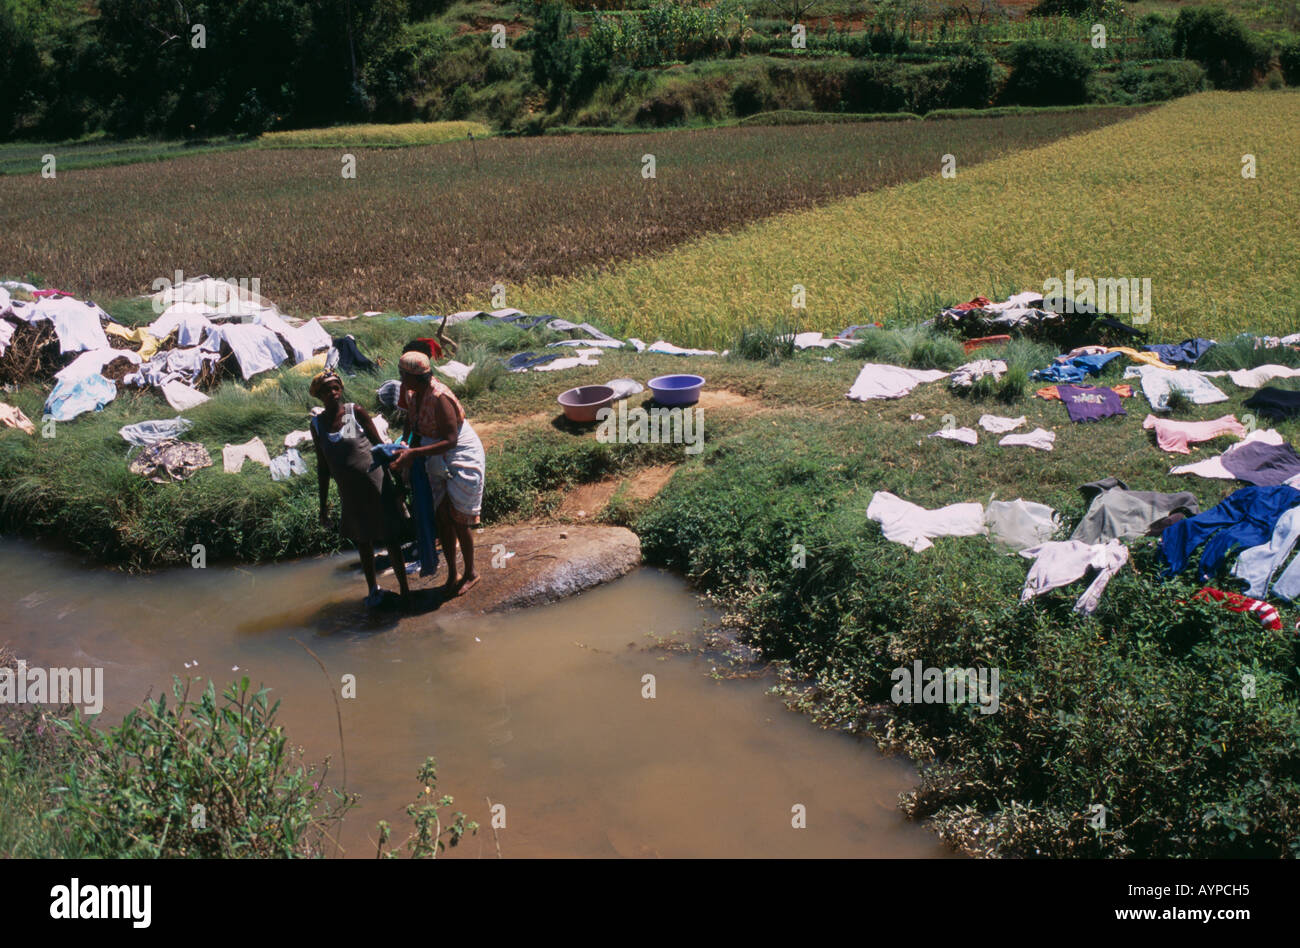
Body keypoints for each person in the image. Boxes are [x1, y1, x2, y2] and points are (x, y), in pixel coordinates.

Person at [310, 370, 410, 607]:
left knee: (389, 537)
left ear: (341, 389)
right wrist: (323, 505)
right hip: (350, 492)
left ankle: (405, 591)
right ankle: (373, 589)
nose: (333, 393)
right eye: (327, 390)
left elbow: (380, 448)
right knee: (362, 540)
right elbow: (323, 467)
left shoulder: (354, 413)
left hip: (375, 484)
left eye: (336, 387)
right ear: (319, 396)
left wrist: (398, 485)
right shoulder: (318, 425)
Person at [391, 351, 485, 597]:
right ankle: (453, 572)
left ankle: (471, 572)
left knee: (459, 518)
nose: (401, 379)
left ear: (416, 377)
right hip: (432, 453)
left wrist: (414, 454)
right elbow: (410, 423)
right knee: (442, 515)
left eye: (403, 375)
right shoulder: (412, 393)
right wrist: (405, 446)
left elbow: (451, 440)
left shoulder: (439, 396)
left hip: (459, 454)